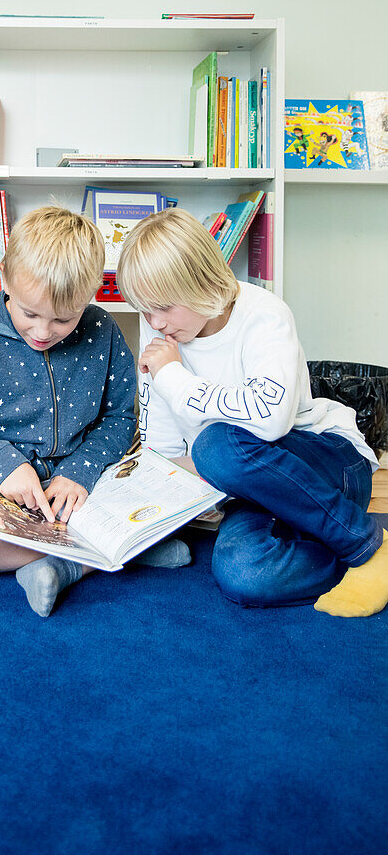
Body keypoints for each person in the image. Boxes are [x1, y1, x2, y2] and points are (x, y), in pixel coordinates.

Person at [116, 206, 387, 618]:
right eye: (143, 309)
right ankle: (349, 556)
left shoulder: (263, 314)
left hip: (328, 463)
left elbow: (271, 421)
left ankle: (366, 545)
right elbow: (165, 452)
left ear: (199, 281)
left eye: (164, 307)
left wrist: (171, 376)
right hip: (249, 487)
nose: (154, 323)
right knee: (244, 574)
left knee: (215, 444)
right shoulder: (161, 330)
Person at [0, 205, 188, 618]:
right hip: (2, 492)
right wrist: (2, 462)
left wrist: (80, 471)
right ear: (5, 274)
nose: (43, 332)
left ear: (93, 291)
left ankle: (72, 561)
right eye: (29, 313)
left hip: (87, 486)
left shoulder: (102, 331)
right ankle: (105, 556)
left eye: (64, 319)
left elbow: (119, 419)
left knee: (166, 493)